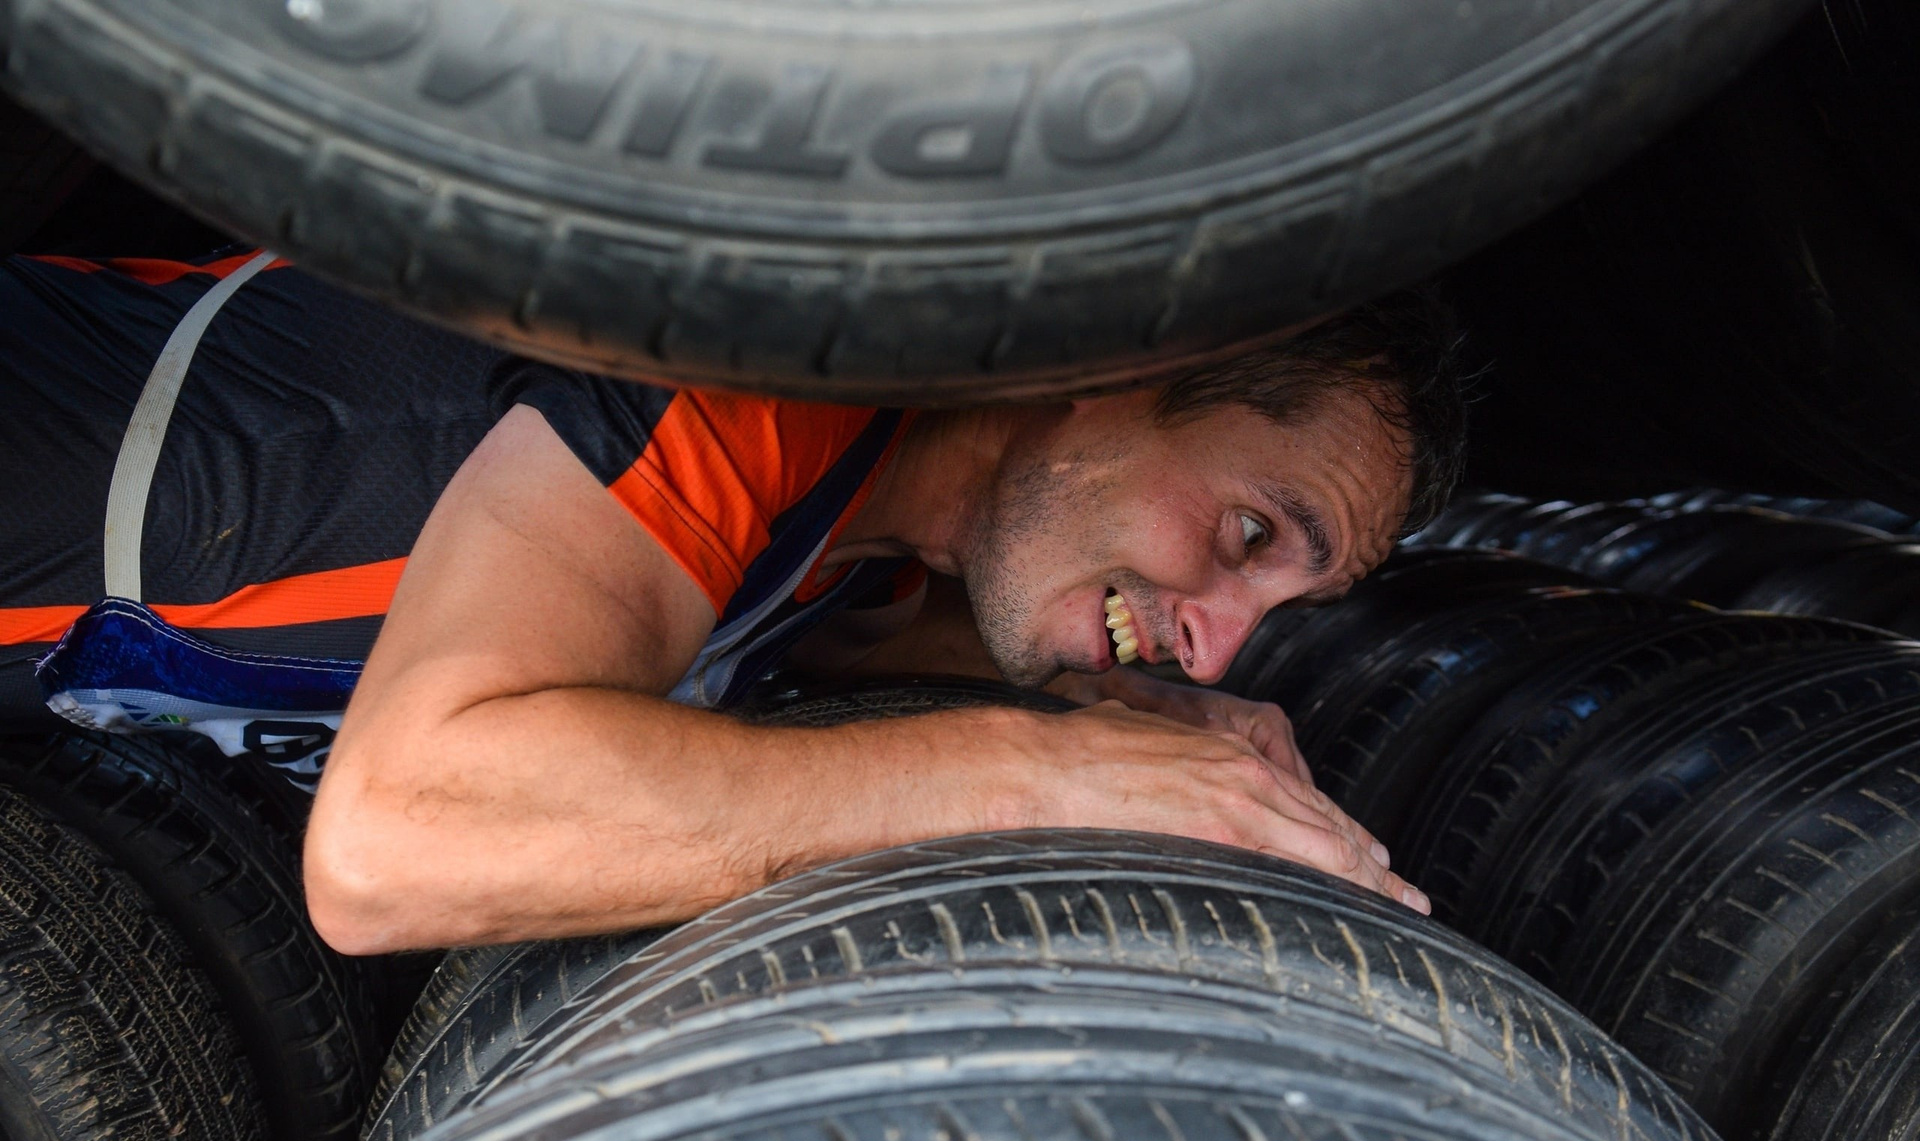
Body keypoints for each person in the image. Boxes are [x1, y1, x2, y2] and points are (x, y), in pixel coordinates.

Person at [0, 247, 1465, 955]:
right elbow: (393, 842)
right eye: (1249, 532)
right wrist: (1054, 771)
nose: (1221, 636)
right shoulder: (752, 371)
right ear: (1124, 365)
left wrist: (1131, 713)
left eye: (1283, 601)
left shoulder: (878, 539)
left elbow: (854, 638)